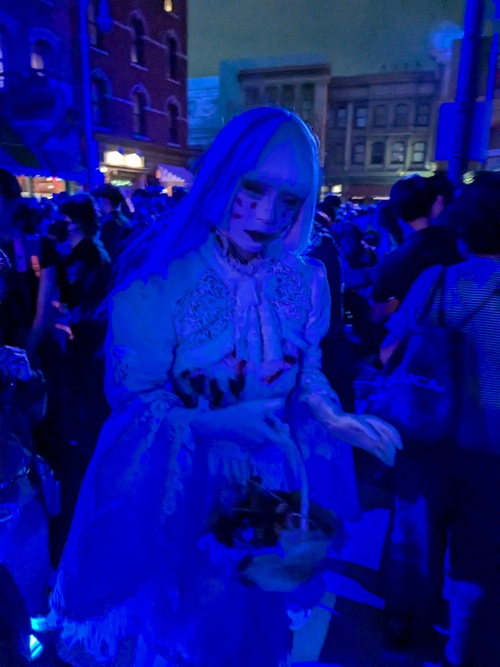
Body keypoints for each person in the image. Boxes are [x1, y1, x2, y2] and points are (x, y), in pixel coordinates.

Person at [48, 107, 401, 667]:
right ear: (223, 177)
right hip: (186, 483)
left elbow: (307, 369)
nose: (268, 213)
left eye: (289, 199)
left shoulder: (305, 279)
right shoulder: (159, 281)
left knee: (260, 627)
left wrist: (332, 417)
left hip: (274, 480)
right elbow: (135, 398)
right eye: (254, 188)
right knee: (192, 631)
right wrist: (211, 424)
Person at [380, 172, 500, 666]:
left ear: (463, 227)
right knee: (482, 558)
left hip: (427, 434)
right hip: (493, 450)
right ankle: (468, 647)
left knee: (415, 538)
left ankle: (405, 626)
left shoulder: (438, 281)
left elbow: (390, 351)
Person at [371, 174, 461, 325]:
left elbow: (378, 314)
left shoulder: (394, 261)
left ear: (396, 210)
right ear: (434, 204)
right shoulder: (459, 245)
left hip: (414, 335)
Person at [93, 184, 133, 262]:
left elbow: (105, 252)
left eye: (99, 200)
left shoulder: (108, 223)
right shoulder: (125, 220)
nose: (97, 204)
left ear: (106, 201)